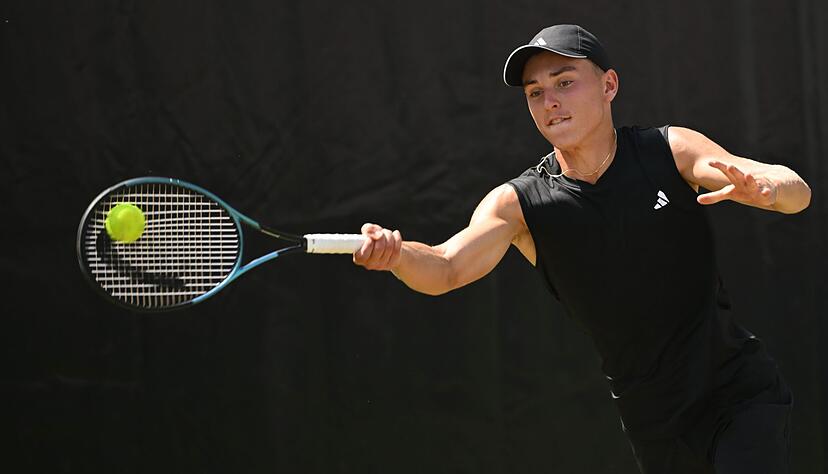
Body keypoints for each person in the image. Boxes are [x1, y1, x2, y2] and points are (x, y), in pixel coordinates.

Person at [352, 24, 811, 473]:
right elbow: (446, 267)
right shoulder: (520, 204)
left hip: (738, 395)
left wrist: (769, 191)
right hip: (653, 422)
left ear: (608, 85)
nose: (549, 102)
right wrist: (398, 256)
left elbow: (794, 190)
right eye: (535, 93)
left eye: (565, 83)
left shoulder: (670, 150)